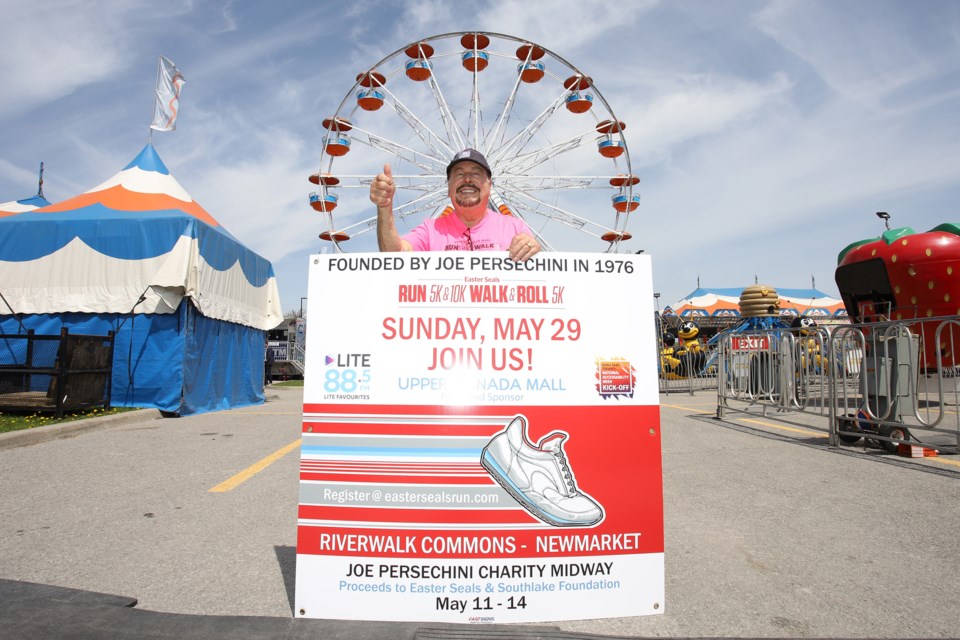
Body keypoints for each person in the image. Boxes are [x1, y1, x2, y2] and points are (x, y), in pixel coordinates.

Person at [369, 148, 541, 261]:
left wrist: (532, 249)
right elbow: (393, 257)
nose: (467, 179)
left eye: (476, 173)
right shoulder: (430, 230)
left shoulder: (514, 228)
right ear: (448, 187)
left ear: (489, 184)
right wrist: (384, 207)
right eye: (459, 174)